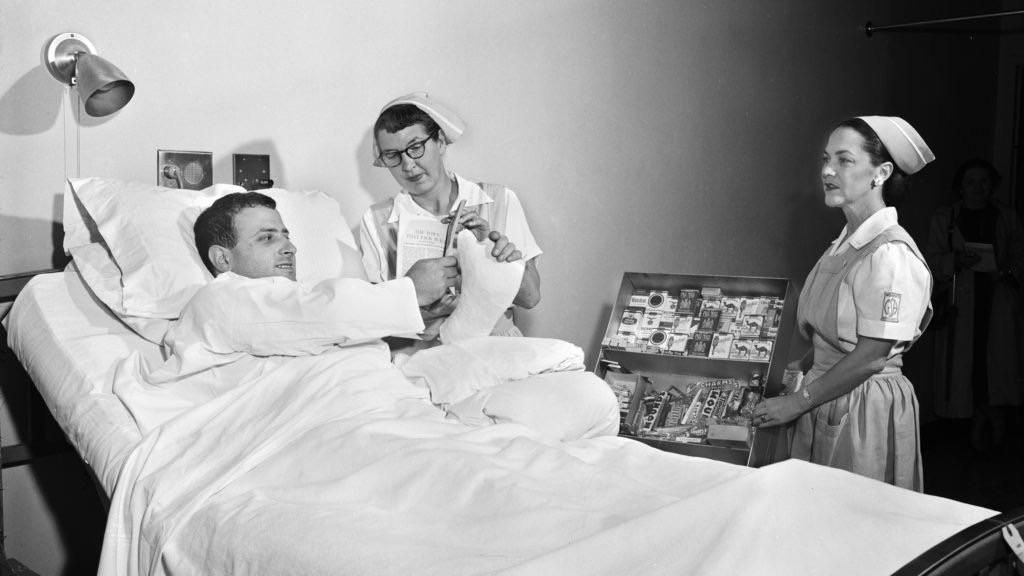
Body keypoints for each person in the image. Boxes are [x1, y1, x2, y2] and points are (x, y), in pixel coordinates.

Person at [752, 116, 935, 491]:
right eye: (825, 159)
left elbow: (871, 355)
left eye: (844, 160)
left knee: (853, 520)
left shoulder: (890, 255)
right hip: (823, 393)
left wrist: (798, 401)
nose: (827, 170)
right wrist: (800, 367)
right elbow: (833, 331)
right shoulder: (843, 244)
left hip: (862, 406)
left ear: (881, 173)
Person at [358, 92, 541, 338]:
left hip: (494, 347)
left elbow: (531, 298)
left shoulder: (499, 200)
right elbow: (374, 323)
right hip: (419, 355)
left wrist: (496, 256)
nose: (407, 165)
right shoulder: (377, 220)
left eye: (415, 147)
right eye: (392, 155)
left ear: (441, 142)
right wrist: (423, 308)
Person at [925, 158, 1024, 448]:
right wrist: (954, 260)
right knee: (965, 364)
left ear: (992, 185)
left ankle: (992, 417)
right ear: (960, 186)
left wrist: (1005, 272)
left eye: (983, 181)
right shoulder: (946, 218)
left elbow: (1019, 254)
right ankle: (971, 422)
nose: (977, 188)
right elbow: (931, 259)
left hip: (996, 300)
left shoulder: (1006, 217)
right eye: (971, 182)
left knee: (994, 362)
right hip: (962, 300)